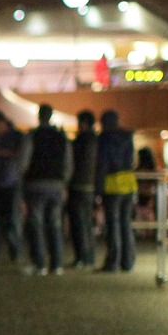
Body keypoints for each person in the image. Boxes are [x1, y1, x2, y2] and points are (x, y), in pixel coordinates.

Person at [22, 104, 71, 274]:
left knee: (37, 224)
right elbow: (68, 162)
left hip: (36, 184)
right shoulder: (61, 137)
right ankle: (57, 264)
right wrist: (64, 181)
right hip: (56, 185)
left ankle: (40, 264)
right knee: (55, 224)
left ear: (39, 116)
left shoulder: (32, 136)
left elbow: (24, 162)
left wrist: (23, 177)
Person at [0, 111, 26, 261]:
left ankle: (15, 251)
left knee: (12, 219)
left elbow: (18, 154)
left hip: (11, 182)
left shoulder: (16, 136)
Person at [98, 110, 137, 271]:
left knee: (112, 224)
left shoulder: (104, 139)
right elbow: (132, 160)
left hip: (111, 184)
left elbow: (102, 164)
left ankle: (112, 261)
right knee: (126, 223)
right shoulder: (127, 137)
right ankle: (128, 261)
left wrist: (98, 187)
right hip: (128, 183)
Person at [67, 110, 98, 268]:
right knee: (86, 223)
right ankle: (89, 256)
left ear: (83, 123)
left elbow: (72, 163)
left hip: (78, 185)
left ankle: (81, 257)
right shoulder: (96, 140)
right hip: (90, 186)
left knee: (78, 223)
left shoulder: (80, 141)